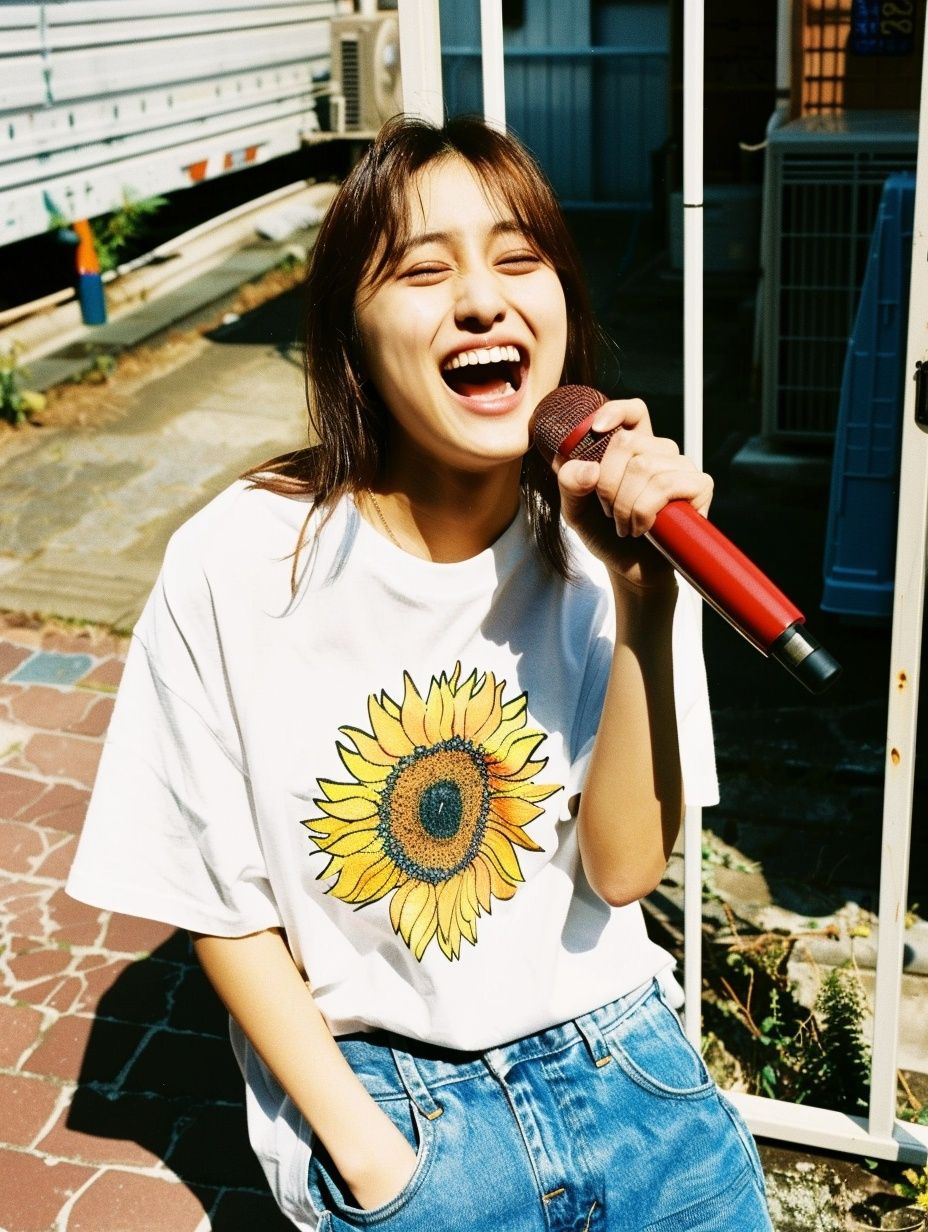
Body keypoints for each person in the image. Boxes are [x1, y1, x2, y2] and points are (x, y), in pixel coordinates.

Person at [67, 115, 773, 1231]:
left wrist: (644, 602)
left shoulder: (623, 546)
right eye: (423, 269)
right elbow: (218, 895)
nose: (482, 300)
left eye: (517, 257)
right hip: (403, 1112)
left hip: (628, 1068)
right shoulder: (238, 561)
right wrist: (368, 1148)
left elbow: (627, 867)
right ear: (351, 331)